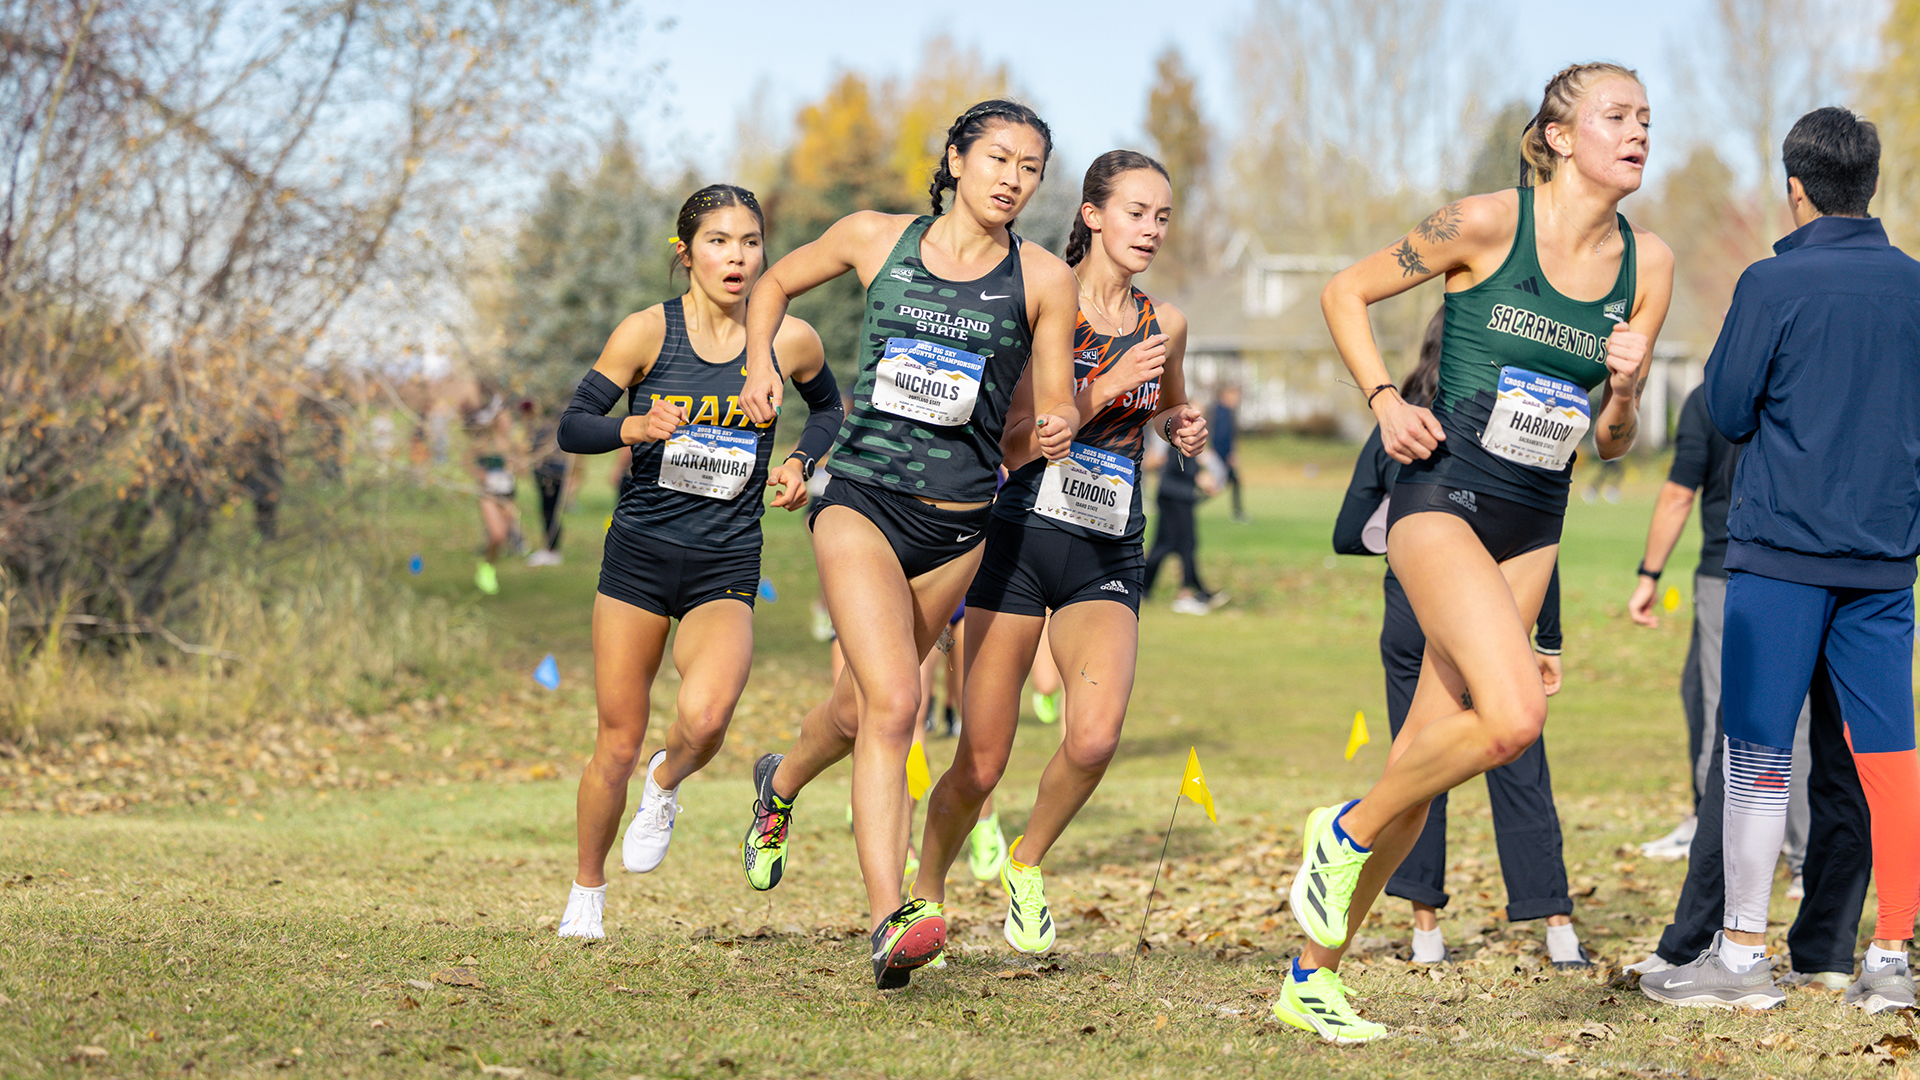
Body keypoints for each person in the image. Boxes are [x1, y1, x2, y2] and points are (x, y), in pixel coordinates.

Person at [1280, 62, 1673, 1043]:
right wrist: (1382, 399)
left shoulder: (1647, 264)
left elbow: (1613, 441)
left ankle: (1310, 978)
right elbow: (1344, 291)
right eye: (1617, 115)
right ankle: (1344, 830)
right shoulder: (1489, 223)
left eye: (1647, 120)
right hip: (1441, 498)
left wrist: (1623, 392)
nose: (1637, 132)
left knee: (1425, 753)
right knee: (1512, 717)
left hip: (1537, 516)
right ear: (1556, 133)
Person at [732, 100, 1081, 990]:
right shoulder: (871, 237)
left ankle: (779, 782)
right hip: (861, 503)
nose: (1013, 178)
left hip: (960, 525)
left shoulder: (1041, 278)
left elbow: (1052, 399)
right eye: (998, 157)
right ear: (957, 159)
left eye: (1032, 167)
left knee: (856, 715)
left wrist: (1060, 422)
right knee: (896, 705)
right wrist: (762, 363)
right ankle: (892, 918)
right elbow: (770, 286)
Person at [1640, 106, 1920, 1014]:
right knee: (1890, 755)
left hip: (1780, 555)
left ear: (1795, 188)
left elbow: (1723, 407)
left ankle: (1744, 956)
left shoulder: (1771, 283)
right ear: (1869, 185)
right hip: (1885, 559)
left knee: (1757, 753)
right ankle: (1889, 960)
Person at [914, 149, 1208, 957]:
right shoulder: (1041, 300)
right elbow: (1006, 445)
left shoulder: (1165, 323)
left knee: (1093, 739)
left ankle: (1027, 861)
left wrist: (1179, 426)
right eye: (1135, 212)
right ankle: (924, 893)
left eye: (1162, 217)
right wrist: (1099, 392)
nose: (1149, 229)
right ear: (1092, 215)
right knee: (979, 762)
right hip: (1016, 537)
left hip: (1108, 545)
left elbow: (1168, 404)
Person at [550, 184, 841, 940]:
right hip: (639, 562)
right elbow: (573, 426)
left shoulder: (791, 339)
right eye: (719, 241)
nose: (737, 257)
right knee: (616, 738)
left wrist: (802, 461)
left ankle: (668, 778)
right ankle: (587, 891)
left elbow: (832, 409)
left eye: (749, 241)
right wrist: (634, 425)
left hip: (726, 561)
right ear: (687, 254)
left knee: (707, 719)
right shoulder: (648, 333)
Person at [1333, 308, 1586, 968]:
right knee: (1511, 760)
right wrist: (1547, 636)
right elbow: (1526, 533)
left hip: (1410, 607)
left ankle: (1423, 933)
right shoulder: (1494, 415)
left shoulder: (1404, 417)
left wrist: (1407, 535)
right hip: (1487, 605)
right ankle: (1557, 926)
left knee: (1418, 761)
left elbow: (1348, 528)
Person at [1629, 384, 1811, 879]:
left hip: (1726, 571)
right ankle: (1801, 860)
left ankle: (1725, 861)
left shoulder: (1710, 396)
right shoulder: (1801, 388)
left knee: (1722, 713)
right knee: (1793, 717)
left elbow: (1676, 495)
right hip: (1802, 570)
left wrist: (1649, 574)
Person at [1142, 425, 1220, 613]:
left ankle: (1143, 588)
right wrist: (1200, 479)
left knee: (1166, 545)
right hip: (1175, 499)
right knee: (1184, 544)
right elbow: (1177, 467)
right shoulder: (1180, 441)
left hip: (1176, 497)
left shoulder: (1187, 443)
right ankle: (1188, 594)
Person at [470, 397, 520, 595]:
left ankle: (488, 564)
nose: (508, 424)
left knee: (503, 538)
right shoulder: (485, 443)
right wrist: (480, 474)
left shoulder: (513, 444)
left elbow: (523, 470)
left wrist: (515, 463)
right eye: (505, 420)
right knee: (497, 534)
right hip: (489, 494)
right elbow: (468, 461)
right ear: (497, 422)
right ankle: (486, 569)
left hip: (508, 494)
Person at [528, 406, 571, 567]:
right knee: (548, 512)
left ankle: (552, 549)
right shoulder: (542, 428)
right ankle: (550, 547)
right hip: (547, 474)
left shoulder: (547, 429)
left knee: (550, 512)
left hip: (551, 476)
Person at [1214, 382, 1246, 521]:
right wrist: (1228, 455)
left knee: (1232, 482)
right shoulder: (1221, 413)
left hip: (1223, 455)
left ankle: (1237, 512)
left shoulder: (1227, 412)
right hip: (1221, 455)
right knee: (1215, 486)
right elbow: (1221, 436)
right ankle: (1188, 504)